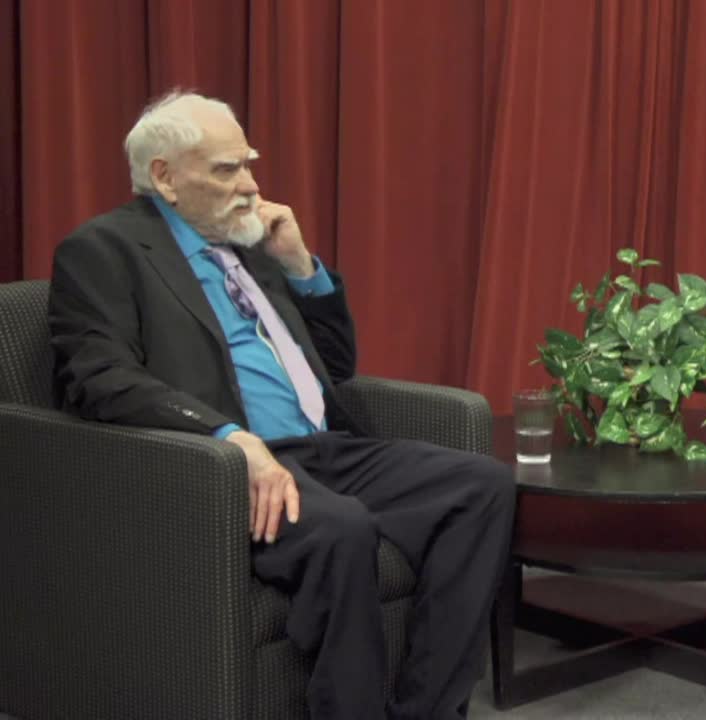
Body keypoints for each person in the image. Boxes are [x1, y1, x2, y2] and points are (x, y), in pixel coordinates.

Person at [47, 90, 516, 720]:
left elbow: (334, 368)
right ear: (165, 177)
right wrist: (226, 437)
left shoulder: (248, 246)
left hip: (325, 449)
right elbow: (98, 378)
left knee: (482, 484)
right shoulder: (105, 250)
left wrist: (298, 265)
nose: (249, 185)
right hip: (224, 468)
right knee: (342, 528)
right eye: (226, 170)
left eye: (248, 164)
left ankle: (428, 710)